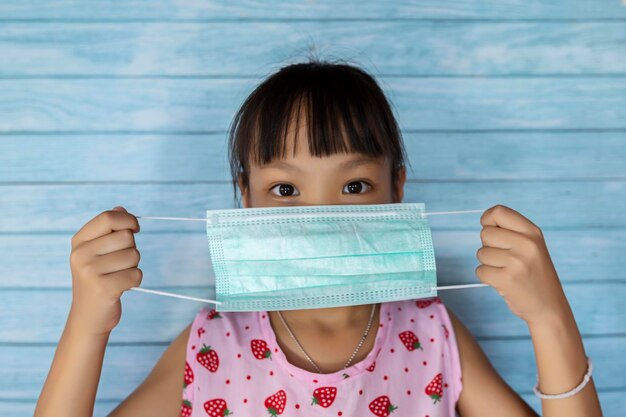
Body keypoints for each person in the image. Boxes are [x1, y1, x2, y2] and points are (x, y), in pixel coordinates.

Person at [34, 59, 602, 417]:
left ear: (396, 188)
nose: (324, 214)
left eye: (355, 184)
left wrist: (550, 318)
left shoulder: (432, 336)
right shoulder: (211, 349)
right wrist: (88, 323)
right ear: (247, 198)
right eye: (285, 190)